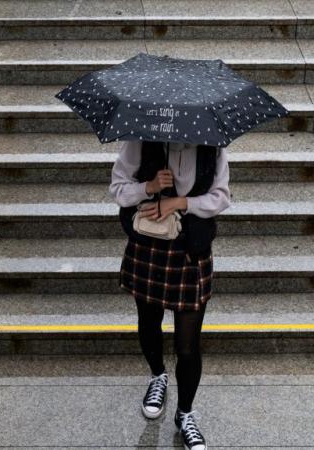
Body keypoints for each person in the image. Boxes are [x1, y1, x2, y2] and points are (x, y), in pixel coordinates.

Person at [110, 140, 231, 450]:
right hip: (149, 246)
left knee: (188, 345)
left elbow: (220, 198)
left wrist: (179, 203)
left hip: (192, 251)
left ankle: (186, 414)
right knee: (148, 323)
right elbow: (118, 189)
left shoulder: (213, 147)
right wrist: (148, 187)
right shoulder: (141, 140)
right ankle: (158, 376)